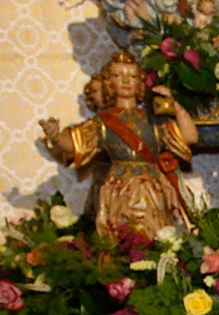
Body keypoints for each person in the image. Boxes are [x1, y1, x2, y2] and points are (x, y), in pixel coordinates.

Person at [39, 52, 197, 239]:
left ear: (140, 82)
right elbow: (74, 144)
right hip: (119, 190)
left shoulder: (154, 121)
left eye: (132, 76)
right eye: (118, 75)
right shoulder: (102, 123)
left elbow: (190, 138)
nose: (126, 80)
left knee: (157, 236)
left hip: (153, 188)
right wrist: (55, 136)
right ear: (108, 83)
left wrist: (177, 107)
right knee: (122, 238)